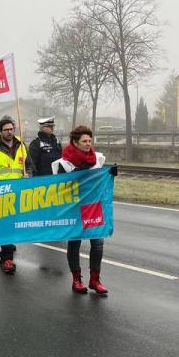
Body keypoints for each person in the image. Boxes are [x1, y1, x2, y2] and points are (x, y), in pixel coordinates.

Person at [53, 125, 117, 295]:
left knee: (97, 243)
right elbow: (59, 187)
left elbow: (101, 179)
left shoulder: (97, 159)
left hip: (93, 206)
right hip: (74, 207)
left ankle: (95, 280)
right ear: (75, 142)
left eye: (90, 140)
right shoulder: (64, 163)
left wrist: (110, 173)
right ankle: (76, 279)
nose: (88, 144)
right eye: (84, 141)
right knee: (75, 243)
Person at [0, 115, 33, 274]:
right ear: (0, 131)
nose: (10, 132)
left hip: (18, 193)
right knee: (6, 225)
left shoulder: (22, 145)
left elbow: (29, 166)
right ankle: (6, 259)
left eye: (12, 129)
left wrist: (28, 176)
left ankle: (8, 247)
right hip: (1, 194)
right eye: (6, 130)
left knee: (13, 224)